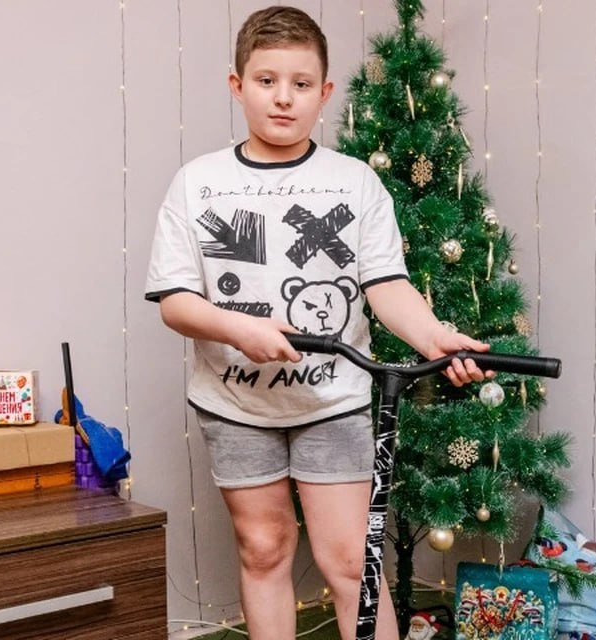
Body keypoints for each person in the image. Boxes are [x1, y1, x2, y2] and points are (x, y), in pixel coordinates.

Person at [144, 6, 490, 640]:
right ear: (237, 85)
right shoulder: (197, 183)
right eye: (266, 80)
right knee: (263, 549)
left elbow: (387, 286)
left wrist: (435, 336)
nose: (284, 98)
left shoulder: (355, 183)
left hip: (333, 401)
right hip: (234, 404)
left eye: (301, 84)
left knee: (350, 561)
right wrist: (238, 329)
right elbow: (176, 301)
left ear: (325, 92)